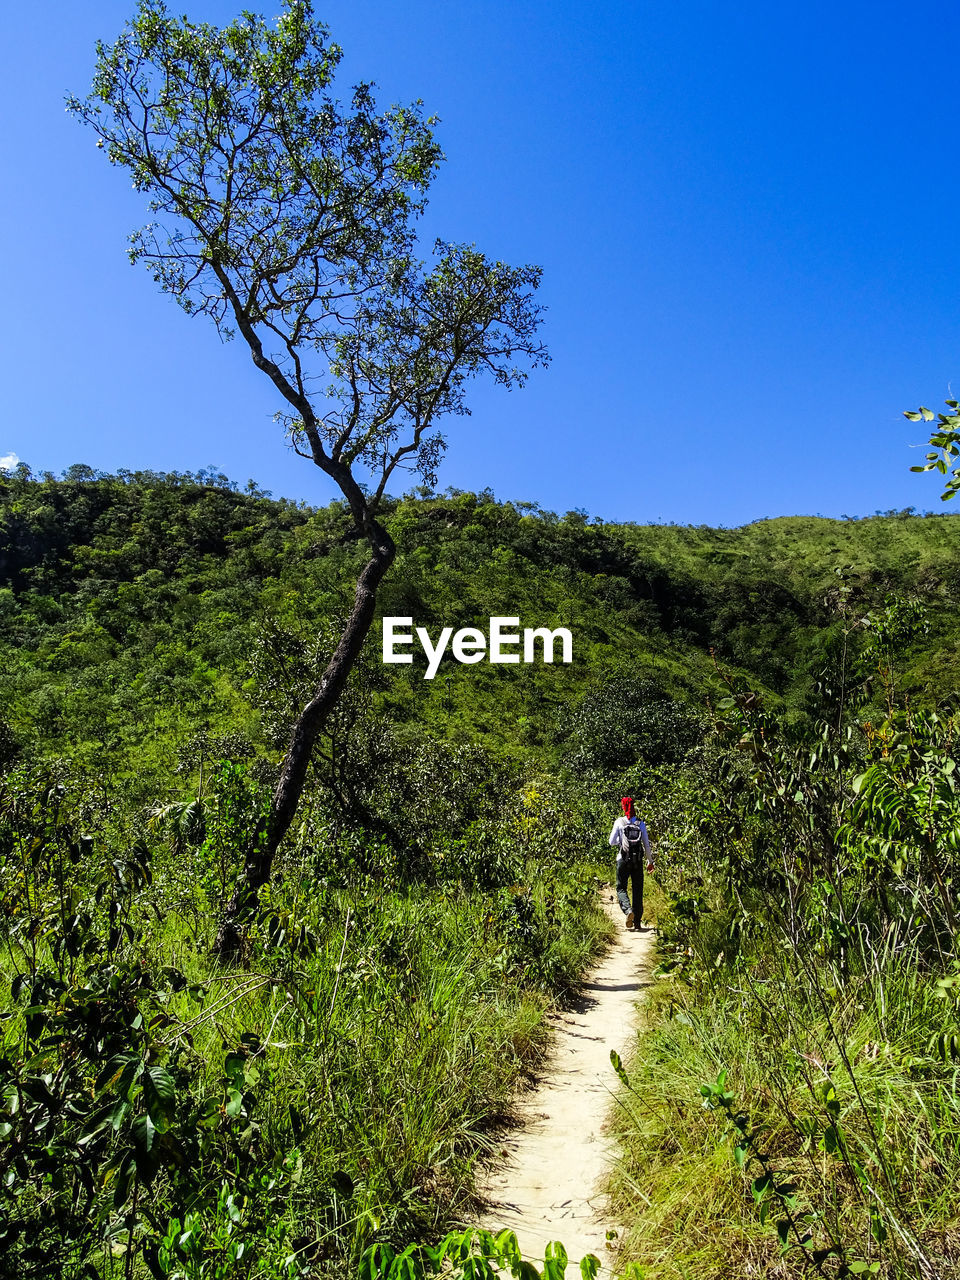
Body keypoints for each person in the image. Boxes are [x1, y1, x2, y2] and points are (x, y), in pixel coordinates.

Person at [608, 797, 653, 930]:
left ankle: (628, 911)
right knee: (637, 889)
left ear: (623, 806)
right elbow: (646, 845)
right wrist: (650, 861)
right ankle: (637, 922)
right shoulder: (640, 823)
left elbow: (611, 842)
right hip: (637, 861)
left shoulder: (619, 822)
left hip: (622, 859)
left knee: (621, 887)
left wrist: (621, 841)